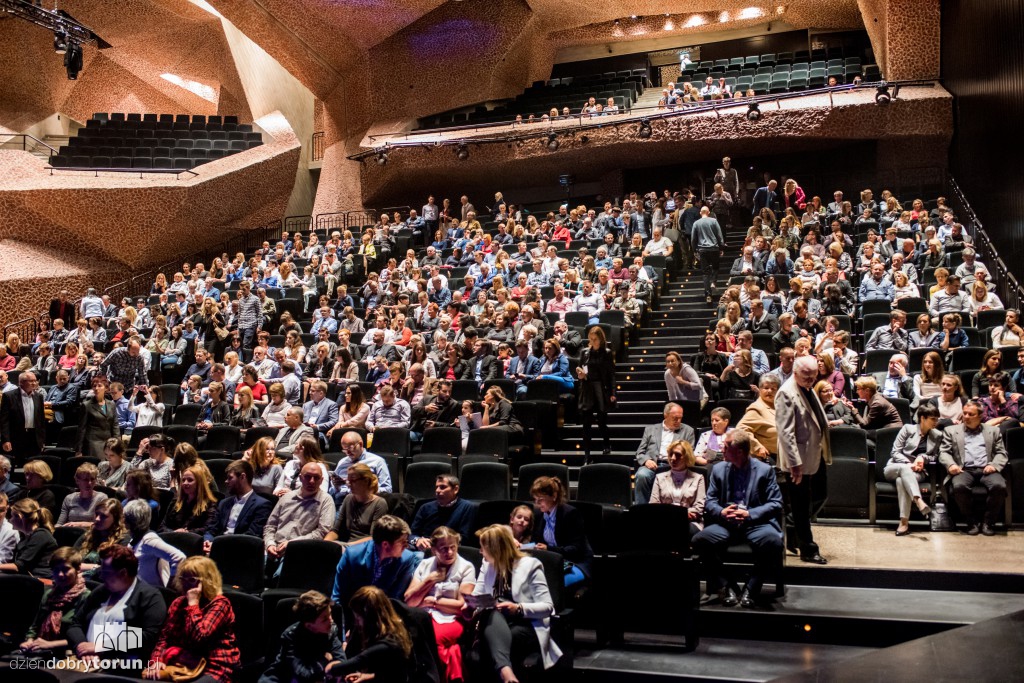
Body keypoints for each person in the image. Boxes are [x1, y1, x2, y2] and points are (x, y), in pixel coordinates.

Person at [693, 430, 784, 608]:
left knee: (774, 543)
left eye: (726, 446)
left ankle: (751, 588)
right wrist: (721, 512)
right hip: (727, 523)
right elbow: (709, 501)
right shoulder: (718, 469)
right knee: (699, 541)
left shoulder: (764, 471)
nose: (722, 449)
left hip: (754, 523)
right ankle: (726, 586)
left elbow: (776, 503)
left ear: (740, 452)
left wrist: (749, 514)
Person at [467, 524, 562, 682]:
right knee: (492, 616)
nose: (480, 552)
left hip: (526, 622)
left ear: (496, 549)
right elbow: (478, 595)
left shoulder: (531, 566)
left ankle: (504, 672)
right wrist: (469, 605)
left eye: (483, 548)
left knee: (493, 638)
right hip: (495, 619)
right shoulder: (487, 564)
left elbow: (547, 607)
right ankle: (506, 672)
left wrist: (517, 608)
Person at [67, 544, 168, 667]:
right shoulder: (100, 591)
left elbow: (148, 636)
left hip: (124, 663)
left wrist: (101, 647)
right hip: (86, 658)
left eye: (106, 572)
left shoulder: (150, 596)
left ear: (123, 573)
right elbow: (76, 624)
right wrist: (82, 646)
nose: (101, 576)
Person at [143, 556, 240, 683]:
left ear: (207, 581)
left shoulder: (220, 604)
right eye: (183, 579)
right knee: (148, 677)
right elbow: (164, 638)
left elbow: (200, 637)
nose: (186, 584)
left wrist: (193, 604)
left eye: (192, 580)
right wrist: (156, 661)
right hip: (183, 663)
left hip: (213, 666)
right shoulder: (178, 603)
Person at [775, 356, 830, 565]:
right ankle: (808, 549)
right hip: (797, 461)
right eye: (806, 376)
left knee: (820, 494)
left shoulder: (807, 387)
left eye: (813, 376)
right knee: (800, 505)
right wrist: (794, 464)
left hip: (813, 454)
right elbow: (785, 433)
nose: (810, 380)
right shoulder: (786, 393)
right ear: (795, 373)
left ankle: (791, 526)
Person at [405, 526, 477, 683]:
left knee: (433, 639)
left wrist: (433, 602)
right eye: (444, 548)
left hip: (452, 618)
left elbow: (461, 606)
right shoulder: (425, 565)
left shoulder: (466, 567)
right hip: (423, 615)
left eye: (453, 547)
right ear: (433, 550)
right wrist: (428, 580)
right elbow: (409, 600)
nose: (449, 552)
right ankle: (453, 658)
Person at [939, 400, 1009, 536]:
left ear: (980, 416)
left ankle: (988, 522)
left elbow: (1002, 453)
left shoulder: (993, 431)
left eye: (970, 414)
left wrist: (994, 465)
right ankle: (970, 522)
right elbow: (944, 452)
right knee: (959, 487)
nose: (966, 416)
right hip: (963, 469)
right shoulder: (951, 431)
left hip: (986, 469)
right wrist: (951, 464)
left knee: (999, 486)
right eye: (964, 413)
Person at [327, 585, 419, 681]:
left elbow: (359, 661)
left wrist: (330, 668)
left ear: (369, 617)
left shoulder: (387, 644)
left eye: (358, 617)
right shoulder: (396, 632)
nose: (357, 622)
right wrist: (368, 677)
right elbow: (390, 673)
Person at [331, 515, 421, 608]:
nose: (406, 546)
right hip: (353, 610)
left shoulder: (407, 559)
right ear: (385, 544)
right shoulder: (352, 555)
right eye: (402, 542)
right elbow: (338, 596)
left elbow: (396, 599)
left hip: (384, 611)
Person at [259, 590, 346, 683]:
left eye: (330, 614)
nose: (331, 621)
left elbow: (342, 662)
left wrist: (331, 664)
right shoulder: (291, 635)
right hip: (284, 677)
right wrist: (325, 660)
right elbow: (303, 674)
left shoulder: (331, 630)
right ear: (309, 625)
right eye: (325, 619)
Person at [263, 462, 336, 575]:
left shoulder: (326, 500)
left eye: (316, 478)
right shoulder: (287, 497)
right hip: (274, 548)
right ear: (300, 478)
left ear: (321, 481)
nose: (312, 481)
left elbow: (322, 532)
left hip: (300, 551)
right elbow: (270, 526)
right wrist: (270, 544)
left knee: (279, 576)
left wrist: (292, 544)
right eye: (307, 477)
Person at [20, 547, 91, 654]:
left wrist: (50, 644)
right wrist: (29, 641)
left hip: (69, 652)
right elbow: (35, 626)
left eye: (66, 569)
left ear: (78, 569)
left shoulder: (86, 596)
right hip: (42, 648)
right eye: (56, 570)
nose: (60, 574)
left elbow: (85, 637)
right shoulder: (50, 594)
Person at [885, 405, 941, 536]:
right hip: (895, 467)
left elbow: (935, 456)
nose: (936, 422)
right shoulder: (907, 429)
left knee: (901, 482)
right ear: (922, 418)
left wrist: (922, 458)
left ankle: (904, 523)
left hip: (918, 472)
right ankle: (918, 500)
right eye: (933, 419)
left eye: (937, 419)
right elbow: (895, 452)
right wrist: (909, 463)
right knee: (903, 471)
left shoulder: (937, 435)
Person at [530, 476, 593, 587]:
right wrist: (523, 546)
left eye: (540, 499)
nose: (537, 503)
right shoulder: (539, 514)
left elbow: (575, 549)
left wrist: (548, 549)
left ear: (553, 496)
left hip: (576, 562)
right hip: (552, 562)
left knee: (553, 584)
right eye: (535, 499)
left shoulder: (570, 514)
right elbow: (536, 543)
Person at [203, 459, 274, 553]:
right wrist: (207, 541)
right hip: (216, 549)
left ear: (242, 477)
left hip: (240, 552)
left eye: (230, 478)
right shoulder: (224, 503)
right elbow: (212, 528)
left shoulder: (262, 505)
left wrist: (218, 545)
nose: (226, 481)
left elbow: (251, 536)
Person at [634, 403, 697, 505]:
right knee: (642, 475)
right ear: (666, 415)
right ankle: (642, 510)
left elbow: (690, 453)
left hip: (673, 466)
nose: (678, 421)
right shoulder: (650, 429)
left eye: (680, 418)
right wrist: (646, 460)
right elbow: (640, 452)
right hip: (653, 465)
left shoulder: (688, 431)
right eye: (675, 418)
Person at [124, 499, 186, 587]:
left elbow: (179, 557)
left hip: (152, 594)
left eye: (124, 519)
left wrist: (170, 587)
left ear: (130, 522)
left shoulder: (149, 541)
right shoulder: (133, 541)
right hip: (139, 591)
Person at [324, 463, 388, 546]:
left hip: (365, 549)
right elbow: (336, 530)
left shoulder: (379, 503)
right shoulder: (348, 499)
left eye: (353, 480)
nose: (348, 484)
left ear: (366, 481)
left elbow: (374, 538)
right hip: (346, 546)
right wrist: (325, 543)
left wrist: (345, 546)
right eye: (348, 480)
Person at [649, 440, 706, 533]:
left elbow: (699, 507)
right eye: (671, 454)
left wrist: (674, 513)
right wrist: (680, 514)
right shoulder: (660, 477)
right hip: (664, 521)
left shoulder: (698, 478)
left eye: (678, 455)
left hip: (690, 523)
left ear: (687, 457)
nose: (673, 458)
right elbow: (653, 504)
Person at [576, 326, 616, 461]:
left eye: (595, 339)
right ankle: (587, 454)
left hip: (600, 388)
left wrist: (612, 392)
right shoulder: (585, 352)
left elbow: (611, 375)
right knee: (586, 423)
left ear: (601, 339)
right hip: (587, 387)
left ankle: (606, 444)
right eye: (591, 339)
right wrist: (580, 376)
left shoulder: (607, 352)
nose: (593, 342)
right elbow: (580, 370)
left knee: (601, 420)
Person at [410, 473, 478, 551]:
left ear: (455, 489)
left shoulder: (467, 507)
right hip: (425, 550)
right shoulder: (425, 507)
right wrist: (418, 540)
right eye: (437, 487)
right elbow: (411, 534)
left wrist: (436, 544)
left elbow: (464, 538)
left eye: (442, 487)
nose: (437, 490)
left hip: (451, 550)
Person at [0, 498, 57, 578]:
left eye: (12, 516)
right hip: (26, 578)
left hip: (41, 579)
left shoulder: (41, 535)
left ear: (20, 517)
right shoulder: (25, 536)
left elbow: (19, 566)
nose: (10, 520)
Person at [73, 498, 129, 570]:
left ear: (115, 519)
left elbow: (114, 569)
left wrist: (91, 567)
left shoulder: (123, 540)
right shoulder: (89, 534)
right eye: (96, 514)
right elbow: (71, 559)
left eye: (103, 516)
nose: (97, 519)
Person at [0, 370, 46, 459]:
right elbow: (4, 421)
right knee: (17, 466)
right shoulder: (9, 396)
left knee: (33, 467)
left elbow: (41, 420)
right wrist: (6, 440)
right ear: (21, 382)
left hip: (34, 437)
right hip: (16, 437)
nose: (34, 383)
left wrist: (42, 440)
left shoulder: (39, 396)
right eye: (31, 381)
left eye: (35, 380)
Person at [160, 463, 218, 533]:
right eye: (183, 480)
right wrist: (174, 532)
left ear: (199, 483)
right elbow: (162, 527)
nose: (185, 483)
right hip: (172, 538)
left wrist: (187, 533)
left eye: (190, 480)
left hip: (194, 541)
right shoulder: (175, 501)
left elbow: (209, 528)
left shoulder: (209, 503)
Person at [736, 374, 781, 462]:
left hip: (783, 456)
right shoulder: (757, 408)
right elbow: (741, 430)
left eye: (773, 388)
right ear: (759, 389)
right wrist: (757, 447)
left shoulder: (780, 406)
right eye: (766, 388)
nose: (769, 391)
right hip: (768, 458)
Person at [76, 375, 120, 458]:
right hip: (93, 443)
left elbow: (115, 426)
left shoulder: (111, 404)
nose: (96, 388)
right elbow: (81, 429)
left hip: (109, 443)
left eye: (99, 386)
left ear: (106, 388)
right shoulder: (86, 405)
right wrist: (78, 450)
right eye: (94, 386)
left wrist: (118, 444)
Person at [691, 206, 726, 304]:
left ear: (700, 213)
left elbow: (693, 238)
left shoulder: (696, 223)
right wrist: (721, 247)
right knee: (715, 267)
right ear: (709, 212)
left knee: (705, 273)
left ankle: (708, 295)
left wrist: (694, 250)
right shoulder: (714, 221)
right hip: (714, 248)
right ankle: (713, 282)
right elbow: (719, 235)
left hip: (702, 249)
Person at [57, 462, 109, 527]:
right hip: (70, 533)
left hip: (91, 534)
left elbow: (103, 523)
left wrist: (80, 524)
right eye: (85, 480)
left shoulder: (101, 498)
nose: (89, 483)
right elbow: (60, 523)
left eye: (92, 479)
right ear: (77, 480)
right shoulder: (69, 498)